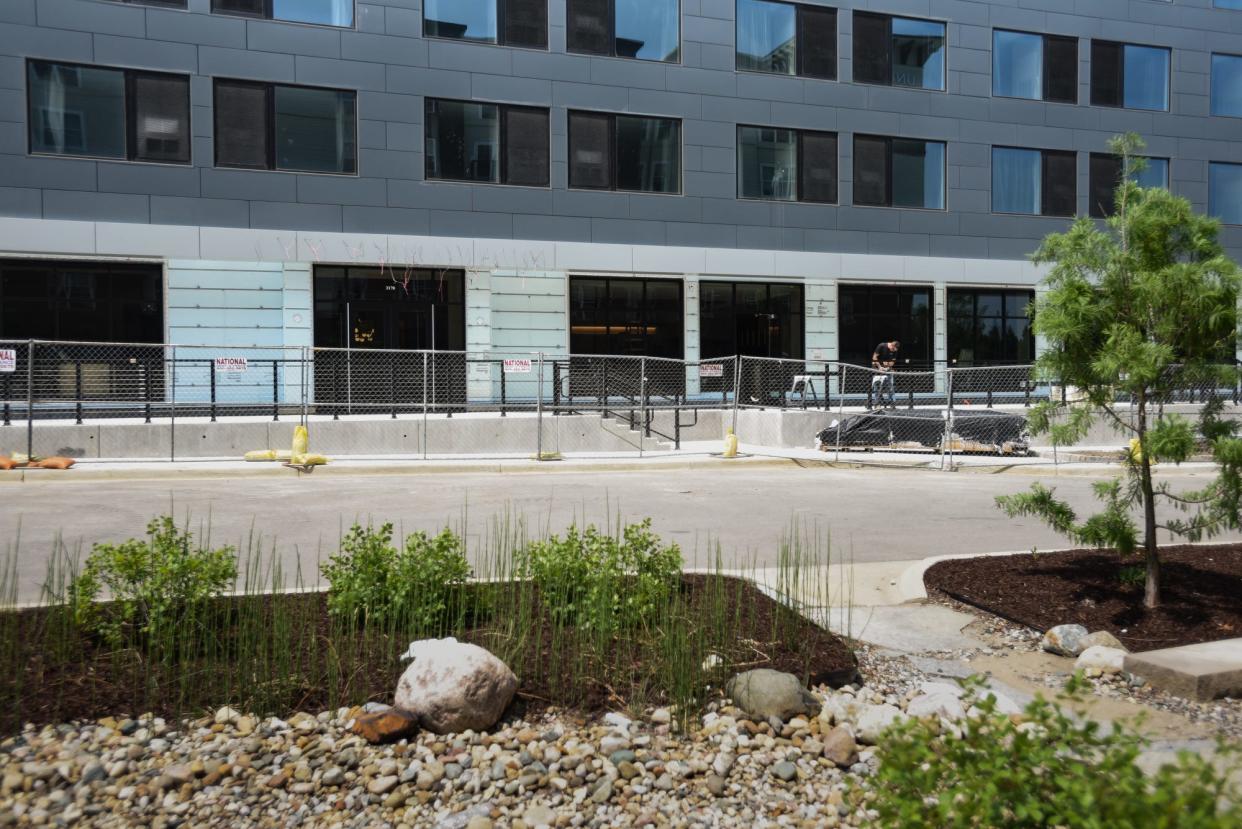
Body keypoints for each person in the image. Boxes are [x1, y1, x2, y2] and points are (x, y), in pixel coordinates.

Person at [871, 340, 901, 408]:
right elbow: (874, 357)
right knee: (877, 385)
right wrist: (879, 367)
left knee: (890, 386)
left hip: (887, 369)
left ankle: (892, 403)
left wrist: (887, 365)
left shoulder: (895, 351)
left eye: (895, 350)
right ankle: (877, 403)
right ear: (892, 345)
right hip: (877, 368)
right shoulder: (881, 346)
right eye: (893, 349)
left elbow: (892, 362)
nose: (893, 351)